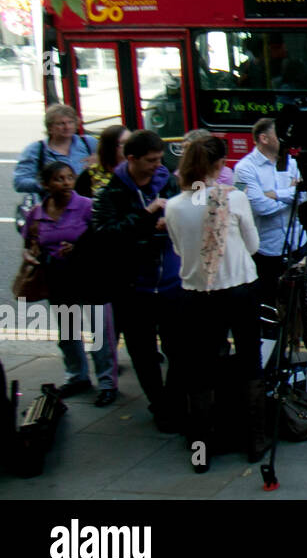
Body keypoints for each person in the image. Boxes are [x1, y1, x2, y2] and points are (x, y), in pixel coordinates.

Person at [164, 134, 265, 470]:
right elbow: (253, 246)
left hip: (195, 295)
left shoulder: (175, 206)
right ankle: (253, 440)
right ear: (220, 165)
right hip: (239, 288)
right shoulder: (233, 199)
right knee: (250, 358)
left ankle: (201, 451)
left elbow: (179, 250)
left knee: (199, 368)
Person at [93, 129, 182, 430]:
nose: (157, 165)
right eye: (150, 160)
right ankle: (160, 405)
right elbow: (107, 236)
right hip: (133, 288)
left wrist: (169, 222)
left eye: (159, 159)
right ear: (131, 159)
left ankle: (173, 399)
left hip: (171, 282)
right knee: (143, 353)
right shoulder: (112, 193)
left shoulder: (168, 182)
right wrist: (147, 216)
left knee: (178, 348)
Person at [27, 161, 117, 405]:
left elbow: (104, 240)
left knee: (100, 333)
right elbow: (30, 243)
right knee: (67, 334)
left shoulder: (87, 207)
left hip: (90, 278)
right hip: (58, 280)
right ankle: (77, 376)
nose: (66, 183)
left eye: (69, 177)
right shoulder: (37, 212)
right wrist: (31, 254)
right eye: (59, 179)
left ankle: (107, 382)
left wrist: (79, 248)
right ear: (46, 184)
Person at [233, 118, 307, 303]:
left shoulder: (290, 162)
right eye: (279, 133)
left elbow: (305, 195)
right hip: (268, 251)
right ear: (264, 138)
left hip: (297, 243)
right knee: (271, 303)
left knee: (302, 302)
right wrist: (291, 195)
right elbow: (260, 206)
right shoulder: (243, 169)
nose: (284, 138)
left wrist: (274, 194)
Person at [13, 103, 98, 195]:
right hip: (53, 205)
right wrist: (48, 185)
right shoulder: (36, 150)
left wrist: (101, 160)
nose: (67, 127)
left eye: (70, 122)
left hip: (86, 203)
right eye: (61, 123)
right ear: (50, 127)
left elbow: (112, 167)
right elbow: (19, 182)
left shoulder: (89, 143)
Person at [74, 124, 128, 199]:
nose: (130, 145)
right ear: (110, 147)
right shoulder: (90, 174)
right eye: (124, 143)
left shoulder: (137, 170)